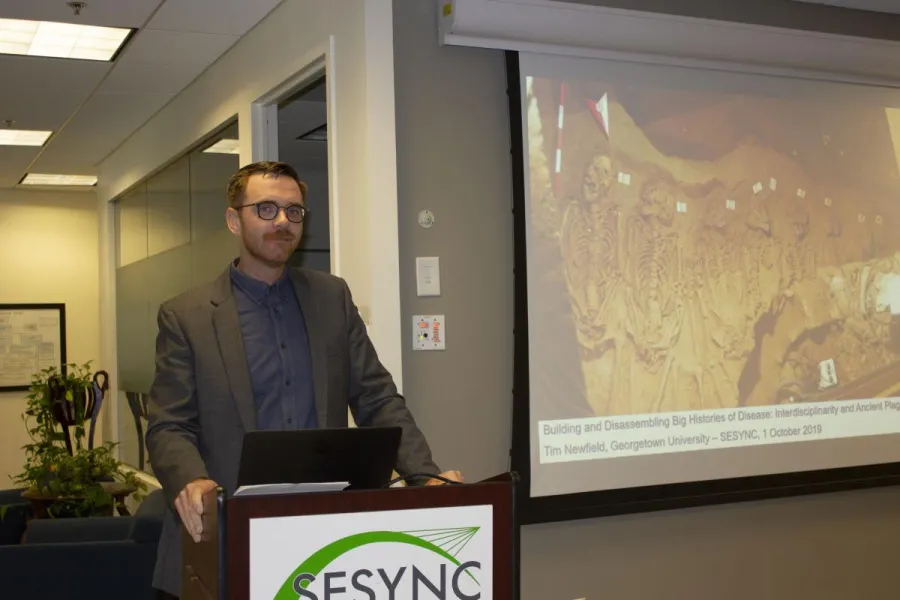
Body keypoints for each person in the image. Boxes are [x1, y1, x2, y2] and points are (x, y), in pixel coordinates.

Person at [146, 161, 462, 599]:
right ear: (234, 220)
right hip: (224, 537)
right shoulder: (187, 315)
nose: (282, 222)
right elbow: (169, 425)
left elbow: (377, 398)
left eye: (294, 212)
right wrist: (191, 480)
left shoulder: (332, 298)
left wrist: (424, 478)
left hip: (322, 544)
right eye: (267, 209)